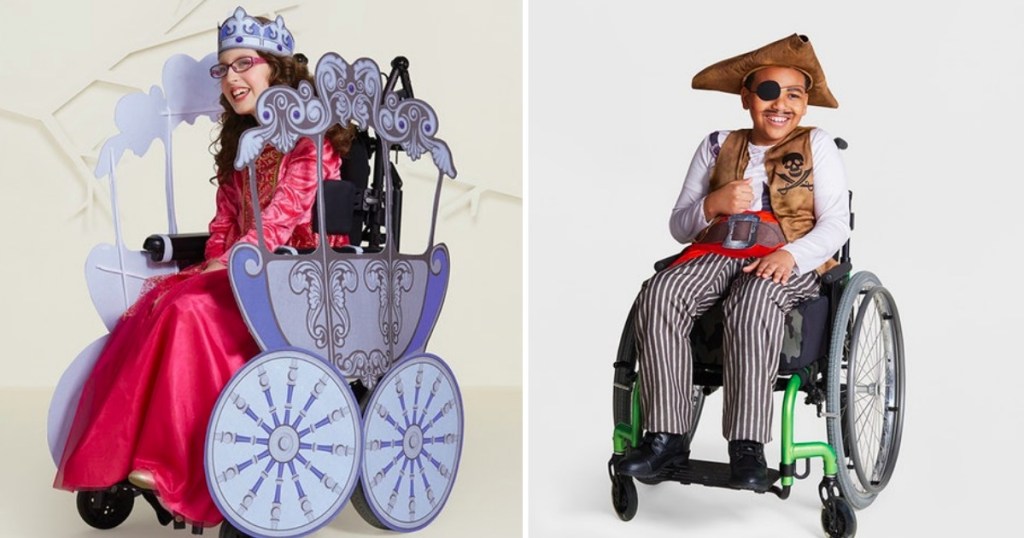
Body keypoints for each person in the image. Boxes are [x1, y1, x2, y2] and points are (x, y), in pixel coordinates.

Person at [54, 6, 355, 528]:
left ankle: (170, 465)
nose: (232, 78)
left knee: (186, 309)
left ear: (276, 69)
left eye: (244, 64)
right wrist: (216, 258)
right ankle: (132, 455)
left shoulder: (309, 142)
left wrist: (227, 264)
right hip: (245, 269)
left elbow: (283, 220)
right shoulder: (243, 143)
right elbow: (225, 222)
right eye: (224, 69)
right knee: (156, 302)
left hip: (298, 275)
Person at [615, 34, 850, 490]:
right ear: (746, 97)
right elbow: (680, 225)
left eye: (793, 95)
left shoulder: (816, 144)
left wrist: (791, 254)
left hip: (787, 256)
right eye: (767, 92)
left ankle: (747, 446)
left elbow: (836, 223)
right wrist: (713, 204)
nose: (779, 104)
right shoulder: (717, 144)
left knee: (753, 301)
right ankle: (665, 436)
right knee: (660, 294)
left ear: (804, 106)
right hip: (715, 250)